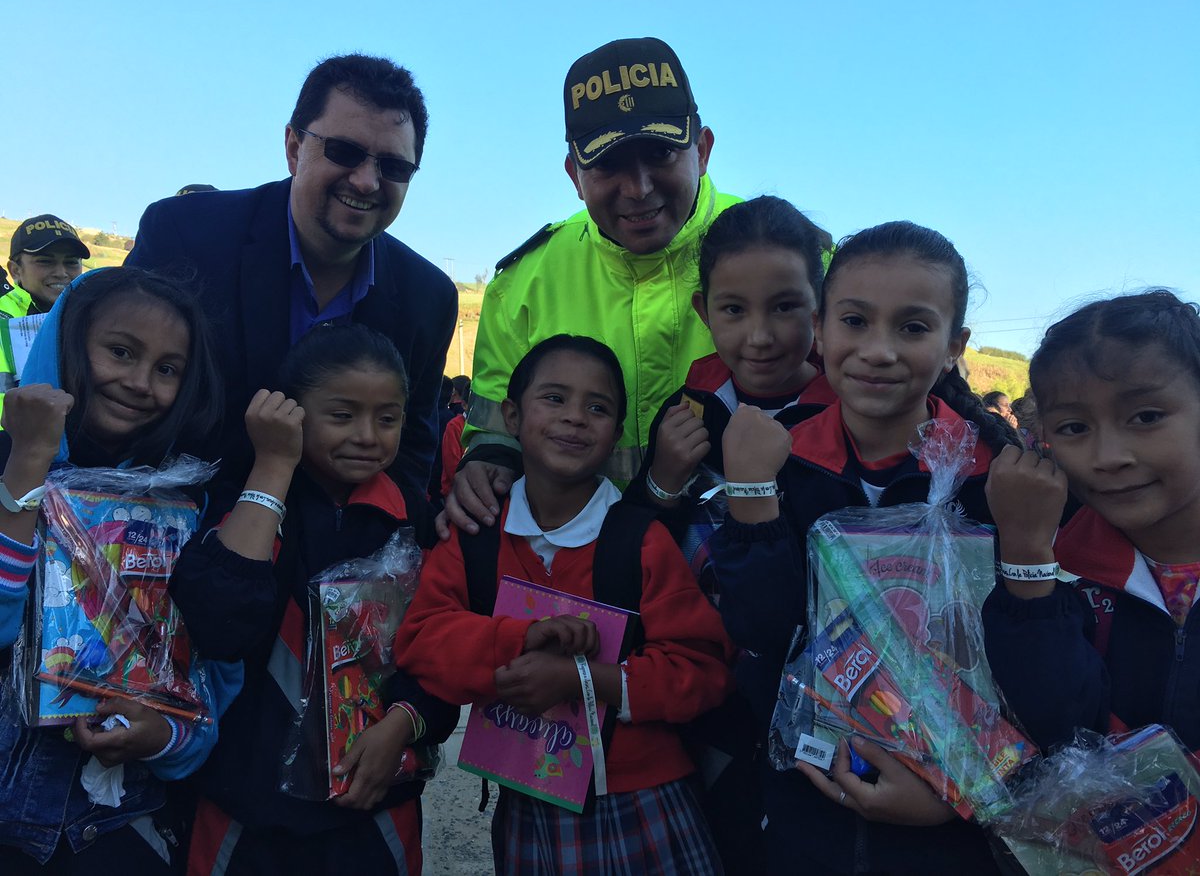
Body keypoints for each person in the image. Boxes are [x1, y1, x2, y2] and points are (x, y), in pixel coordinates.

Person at [710, 222, 1019, 873]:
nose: (878, 350)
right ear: (821, 330)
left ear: (954, 345)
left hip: (949, 825)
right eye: (856, 321)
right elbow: (764, 629)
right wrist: (751, 494)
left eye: (912, 328)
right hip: (805, 802)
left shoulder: (998, 478)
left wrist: (959, 793)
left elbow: (1025, 668)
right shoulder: (778, 458)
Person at [397, 335, 733, 875]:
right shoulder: (476, 535)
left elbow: (703, 668)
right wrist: (522, 639)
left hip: (643, 800)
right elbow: (421, 639)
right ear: (511, 415)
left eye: (597, 407)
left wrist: (588, 681)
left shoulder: (639, 540)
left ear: (619, 432)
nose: (575, 418)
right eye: (554, 398)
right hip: (530, 802)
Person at [169, 324, 457, 875]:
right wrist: (273, 468)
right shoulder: (249, 502)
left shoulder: (416, 522)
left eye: (388, 417)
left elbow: (444, 652)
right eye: (342, 415)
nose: (369, 436)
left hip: (374, 807)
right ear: (293, 414)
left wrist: (405, 722)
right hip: (244, 808)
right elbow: (218, 623)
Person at [446, 37, 745, 536]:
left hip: (745, 566)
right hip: (576, 576)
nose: (639, 187)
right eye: (608, 164)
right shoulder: (519, 284)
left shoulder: (792, 256)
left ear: (704, 149)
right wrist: (485, 464)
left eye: (660, 153)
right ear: (574, 175)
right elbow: (496, 432)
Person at [125, 54, 457, 503]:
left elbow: (413, 453)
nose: (366, 181)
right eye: (345, 152)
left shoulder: (429, 297)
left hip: (336, 559)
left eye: (394, 167)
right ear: (294, 148)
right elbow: (122, 396)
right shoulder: (185, 235)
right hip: (173, 533)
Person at [0, 267, 240, 873]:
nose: (138, 382)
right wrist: (27, 463)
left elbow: (207, 685)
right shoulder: (12, 472)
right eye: (120, 351)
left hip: (109, 829)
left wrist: (166, 737)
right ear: (65, 346)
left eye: (167, 369)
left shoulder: (183, 513)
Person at [625, 196, 834, 873]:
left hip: (815, 702)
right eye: (733, 310)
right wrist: (662, 477)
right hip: (695, 695)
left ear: (821, 306)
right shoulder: (687, 410)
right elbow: (635, 546)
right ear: (702, 312)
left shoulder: (850, 419)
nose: (760, 337)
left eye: (785, 307)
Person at [982, 292, 1200, 759]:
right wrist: (1025, 556)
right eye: (1075, 428)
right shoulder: (1059, 564)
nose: (1108, 458)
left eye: (1146, 417)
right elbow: (1056, 731)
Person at [2, 215, 90, 320]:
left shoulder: (96, 314)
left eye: (71, 262)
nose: (61, 273)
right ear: (15, 270)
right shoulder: (4, 310)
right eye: (45, 261)